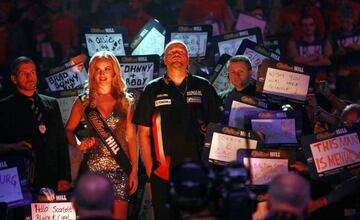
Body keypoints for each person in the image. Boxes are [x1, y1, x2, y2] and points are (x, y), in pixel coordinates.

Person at [132, 40, 222, 220]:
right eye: (171, 51)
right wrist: (150, 169)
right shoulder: (152, 89)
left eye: (181, 51)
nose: (176, 53)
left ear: (188, 59)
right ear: (164, 60)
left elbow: (217, 129)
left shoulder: (203, 87)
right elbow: (143, 133)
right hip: (163, 172)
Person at [65, 50, 138, 220]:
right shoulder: (83, 101)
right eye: (97, 69)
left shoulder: (126, 101)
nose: (102, 73)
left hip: (121, 169)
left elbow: (132, 138)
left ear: (114, 72)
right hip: (93, 170)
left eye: (106, 69)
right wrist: (78, 143)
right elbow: (68, 130)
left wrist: (134, 170)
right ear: (92, 73)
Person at [0, 56, 71, 192]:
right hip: (19, 179)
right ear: (14, 79)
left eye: (32, 72)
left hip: (51, 178)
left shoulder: (51, 103)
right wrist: (12, 147)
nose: (29, 76)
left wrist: (64, 176)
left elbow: (61, 143)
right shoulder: (4, 107)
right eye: (24, 73)